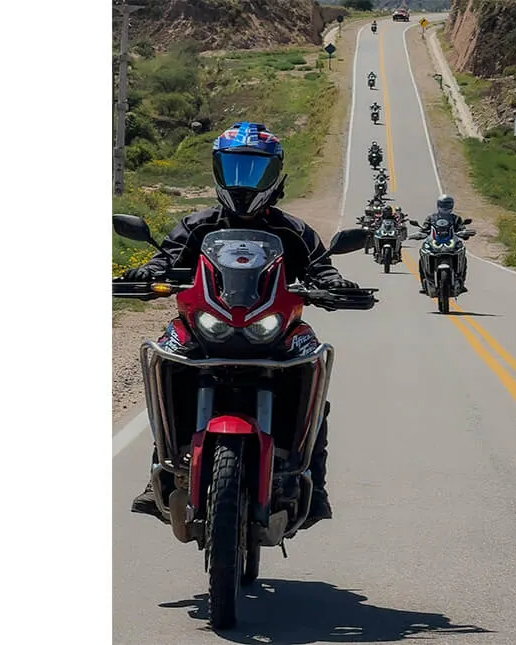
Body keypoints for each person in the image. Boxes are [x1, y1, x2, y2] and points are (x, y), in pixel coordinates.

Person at [123, 121, 357, 528]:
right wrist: (146, 273)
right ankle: (158, 470)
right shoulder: (198, 225)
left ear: (274, 174)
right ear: (218, 170)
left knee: (313, 362)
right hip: (205, 326)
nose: (243, 181)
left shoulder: (292, 230)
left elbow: (321, 267)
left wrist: (335, 286)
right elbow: (166, 259)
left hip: (274, 329)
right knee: (165, 353)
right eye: (234, 169)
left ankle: (314, 485)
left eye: (254, 170)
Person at [415, 194, 469, 294]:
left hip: (451, 242)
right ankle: (424, 283)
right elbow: (424, 228)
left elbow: (462, 228)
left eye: (447, 204)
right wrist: (420, 233)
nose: (445, 207)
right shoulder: (431, 218)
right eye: (443, 204)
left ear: (452, 205)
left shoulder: (456, 219)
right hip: (436, 241)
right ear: (438, 204)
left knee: (463, 255)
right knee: (422, 255)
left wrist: (465, 232)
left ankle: (461, 281)